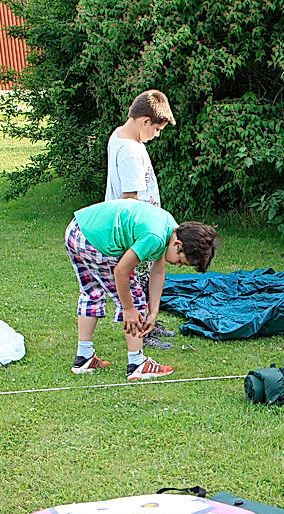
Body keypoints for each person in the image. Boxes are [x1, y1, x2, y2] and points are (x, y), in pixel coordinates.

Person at [66, 199, 218, 379]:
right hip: (94, 240)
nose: (177, 266)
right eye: (180, 261)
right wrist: (129, 309)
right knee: (135, 297)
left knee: (91, 292)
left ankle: (84, 358)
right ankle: (137, 364)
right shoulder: (154, 237)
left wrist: (153, 312)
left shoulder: (169, 226)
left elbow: (158, 270)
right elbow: (121, 271)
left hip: (76, 230)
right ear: (178, 245)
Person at [105, 89, 177, 350]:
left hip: (146, 227)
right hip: (137, 231)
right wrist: (142, 235)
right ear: (145, 121)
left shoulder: (120, 136)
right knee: (136, 282)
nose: (156, 135)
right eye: (157, 130)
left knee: (146, 280)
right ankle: (143, 335)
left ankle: (150, 323)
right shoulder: (132, 154)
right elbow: (130, 202)